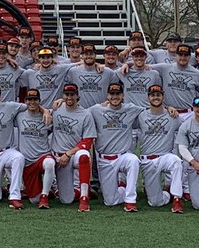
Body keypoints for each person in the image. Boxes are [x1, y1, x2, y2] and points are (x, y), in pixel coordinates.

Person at [88, 83, 141, 211]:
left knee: (133, 160)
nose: (115, 97)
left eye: (118, 94)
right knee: (110, 201)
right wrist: (61, 101)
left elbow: (152, 109)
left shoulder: (131, 108)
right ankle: (123, 190)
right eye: (112, 94)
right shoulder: (96, 109)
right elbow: (78, 111)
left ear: (123, 95)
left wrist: (168, 107)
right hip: (104, 159)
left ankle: (130, 200)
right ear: (107, 96)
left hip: (123, 156)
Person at [135, 84, 184, 212]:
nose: (155, 98)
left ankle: (177, 198)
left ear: (163, 97)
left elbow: (189, 126)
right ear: (148, 98)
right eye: (152, 95)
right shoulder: (141, 116)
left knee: (176, 161)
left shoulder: (172, 116)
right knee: (155, 203)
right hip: (148, 160)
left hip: (165, 156)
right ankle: (166, 195)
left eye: (158, 95)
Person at [50, 84, 96, 211]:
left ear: (77, 96)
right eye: (67, 94)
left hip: (74, 154)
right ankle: (79, 190)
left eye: (72, 94)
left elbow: (88, 141)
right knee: (66, 200)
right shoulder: (56, 109)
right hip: (59, 157)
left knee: (84, 156)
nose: (69, 97)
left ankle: (84, 197)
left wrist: (69, 153)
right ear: (63, 96)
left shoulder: (85, 114)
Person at [14, 89, 54, 209]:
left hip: (42, 156)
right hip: (28, 162)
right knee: (33, 200)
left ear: (39, 101)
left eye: (35, 100)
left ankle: (45, 196)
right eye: (29, 99)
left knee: (50, 163)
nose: (32, 102)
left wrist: (45, 111)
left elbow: (63, 105)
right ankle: (43, 191)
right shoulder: (19, 116)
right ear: (25, 101)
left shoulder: (48, 115)